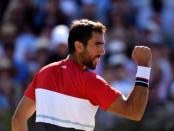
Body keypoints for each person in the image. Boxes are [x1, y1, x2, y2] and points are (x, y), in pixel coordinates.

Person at [11, 19, 152, 131]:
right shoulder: (90, 82)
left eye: (103, 45)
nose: (103, 51)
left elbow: (18, 119)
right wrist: (144, 67)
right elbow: (134, 112)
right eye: (97, 45)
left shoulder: (43, 73)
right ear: (79, 47)